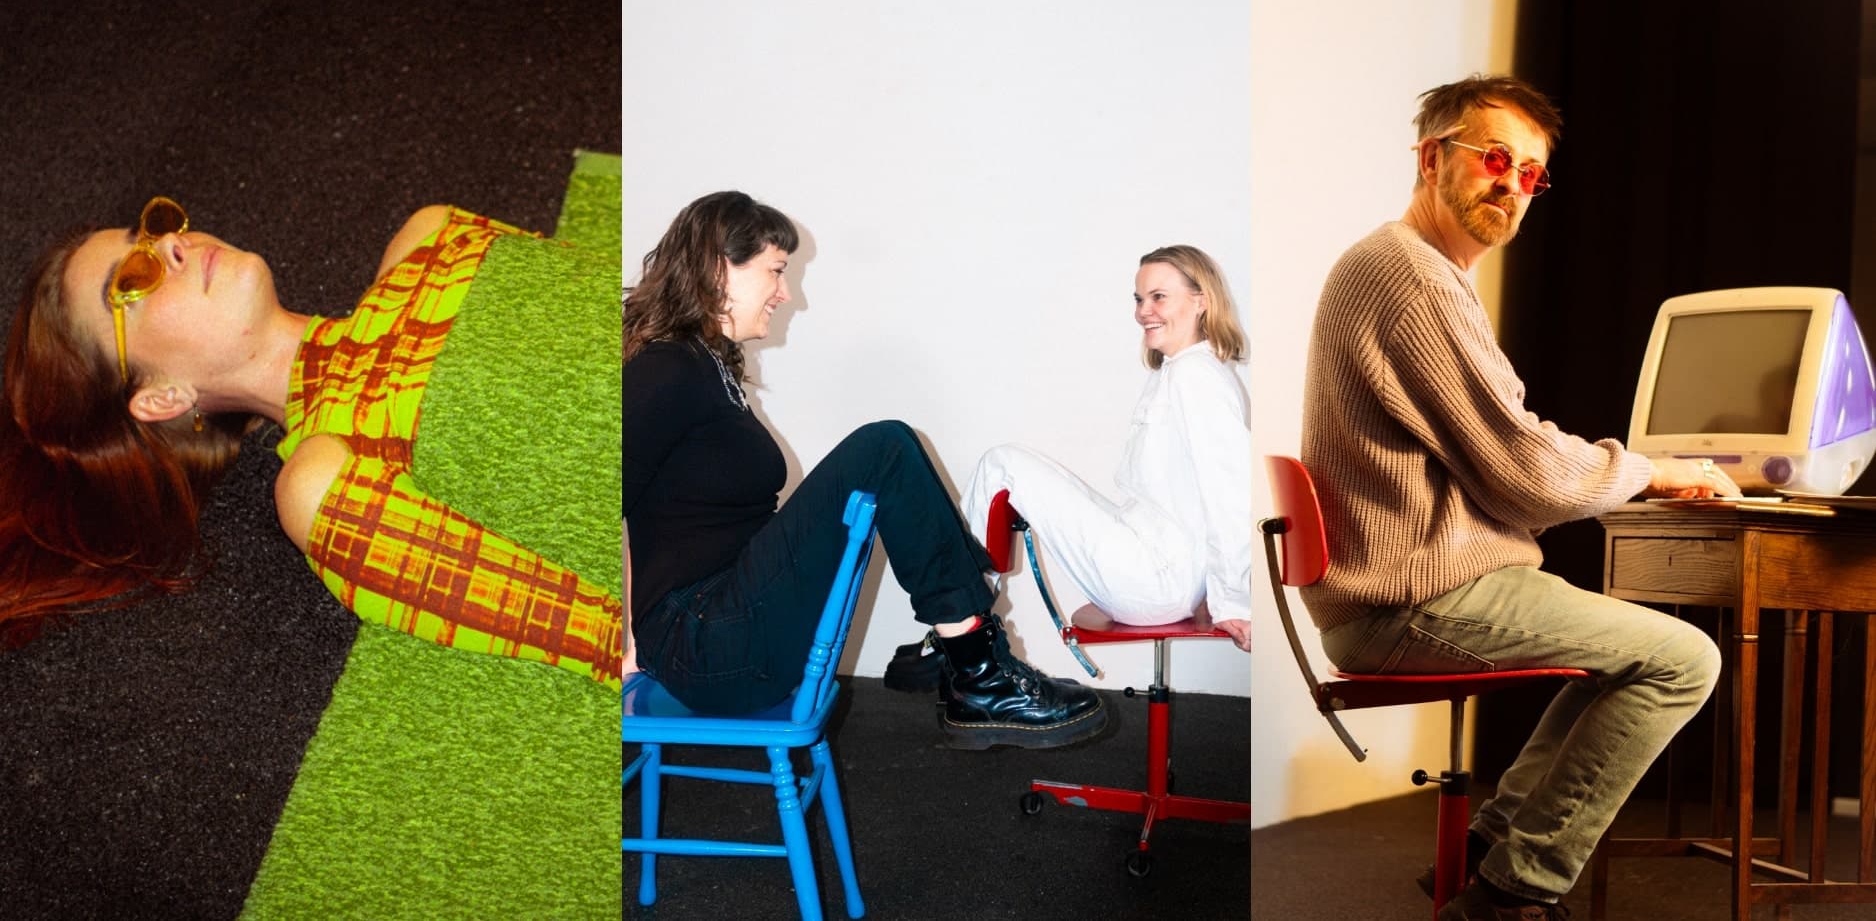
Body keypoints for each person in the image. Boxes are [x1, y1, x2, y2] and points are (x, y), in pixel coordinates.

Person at [1299, 75, 1732, 920]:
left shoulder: (1415, 271)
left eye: (1531, 173)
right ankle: (1510, 896)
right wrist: (1650, 468)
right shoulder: (1410, 278)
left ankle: (1484, 849)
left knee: (1633, 653)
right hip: (1409, 597)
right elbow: (1525, 471)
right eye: (1496, 158)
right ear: (1432, 159)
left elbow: (1512, 449)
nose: (1513, 184)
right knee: (1686, 660)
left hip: (1415, 581)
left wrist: (1621, 469)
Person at [0, 197, 623, 686]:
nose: (171, 243)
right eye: (134, 278)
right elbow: (600, 632)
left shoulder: (431, 237)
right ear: (162, 397)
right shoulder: (323, 480)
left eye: (150, 232)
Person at [621, 190, 1105, 749]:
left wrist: (636, 640)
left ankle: (967, 654)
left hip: (727, 623)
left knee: (887, 449)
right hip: (709, 642)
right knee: (885, 446)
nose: (786, 293)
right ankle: (977, 666)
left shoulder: (707, 368)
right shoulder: (666, 369)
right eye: (776, 272)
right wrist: (625, 642)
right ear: (717, 268)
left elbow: (652, 512)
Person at [948, 246, 1250, 654]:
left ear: (1201, 302)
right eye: (1139, 299)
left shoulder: (1196, 377)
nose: (1144, 311)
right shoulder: (1178, 371)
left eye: (1159, 296)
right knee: (1009, 467)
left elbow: (1230, 492)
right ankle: (966, 622)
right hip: (1152, 561)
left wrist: (1234, 600)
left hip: (1156, 577)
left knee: (1004, 464)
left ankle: (960, 625)